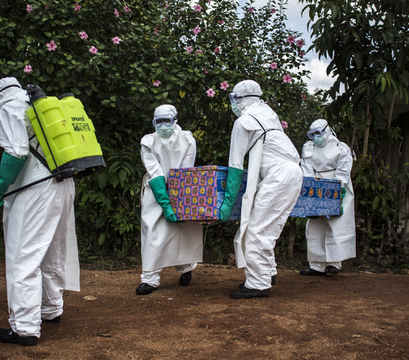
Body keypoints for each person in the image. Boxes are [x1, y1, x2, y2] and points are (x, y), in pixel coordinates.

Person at [0, 77, 79, 346]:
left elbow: (15, 153)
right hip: (62, 182)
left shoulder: (10, 107)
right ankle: (51, 308)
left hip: (37, 188)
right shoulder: (39, 105)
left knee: (23, 255)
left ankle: (24, 327)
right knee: (51, 249)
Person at [219, 80, 303, 299]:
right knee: (268, 227)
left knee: (257, 230)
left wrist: (227, 202)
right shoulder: (268, 115)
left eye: (234, 99)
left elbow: (236, 165)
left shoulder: (245, 121)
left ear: (241, 99)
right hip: (292, 172)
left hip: (279, 176)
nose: (233, 104)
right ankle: (267, 273)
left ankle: (257, 284)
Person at [137, 104, 204, 295]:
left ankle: (186, 267)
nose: (163, 126)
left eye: (167, 121)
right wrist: (165, 204)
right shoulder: (148, 141)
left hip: (181, 188)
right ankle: (150, 278)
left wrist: (178, 199)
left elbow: (185, 169)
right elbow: (155, 172)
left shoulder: (187, 139)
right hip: (155, 192)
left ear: (175, 121)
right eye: (159, 122)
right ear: (154, 122)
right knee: (152, 231)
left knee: (182, 231)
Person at [299, 119, 356, 276]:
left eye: (319, 133)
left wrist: (338, 190)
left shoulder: (341, 148)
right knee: (315, 225)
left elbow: (343, 171)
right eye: (313, 134)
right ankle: (316, 264)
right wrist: (311, 189)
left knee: (335, 224)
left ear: (327, 131)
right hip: (316, 186)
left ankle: (334, 263)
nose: (316, 137)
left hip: (337, 185)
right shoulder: (308, 147)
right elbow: (306, 169)